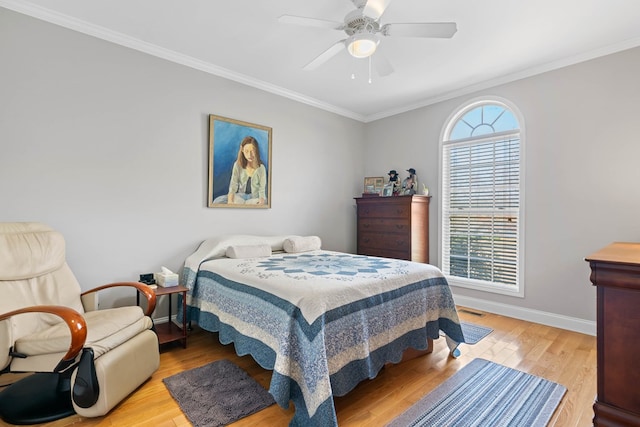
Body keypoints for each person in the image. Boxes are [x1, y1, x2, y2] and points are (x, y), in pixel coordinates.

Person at [213, 136, 267, 205]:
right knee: (218, 201)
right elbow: (233, 185)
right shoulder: (237, 165)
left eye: (252, 151)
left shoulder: (261, 168)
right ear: (242, 150)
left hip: (254, 198)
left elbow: (262, 190)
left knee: (259, 202)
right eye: (246, 151)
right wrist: (230, 202)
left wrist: (261, 203)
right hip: (240, 197)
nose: (249, 155)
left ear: (256, 150)